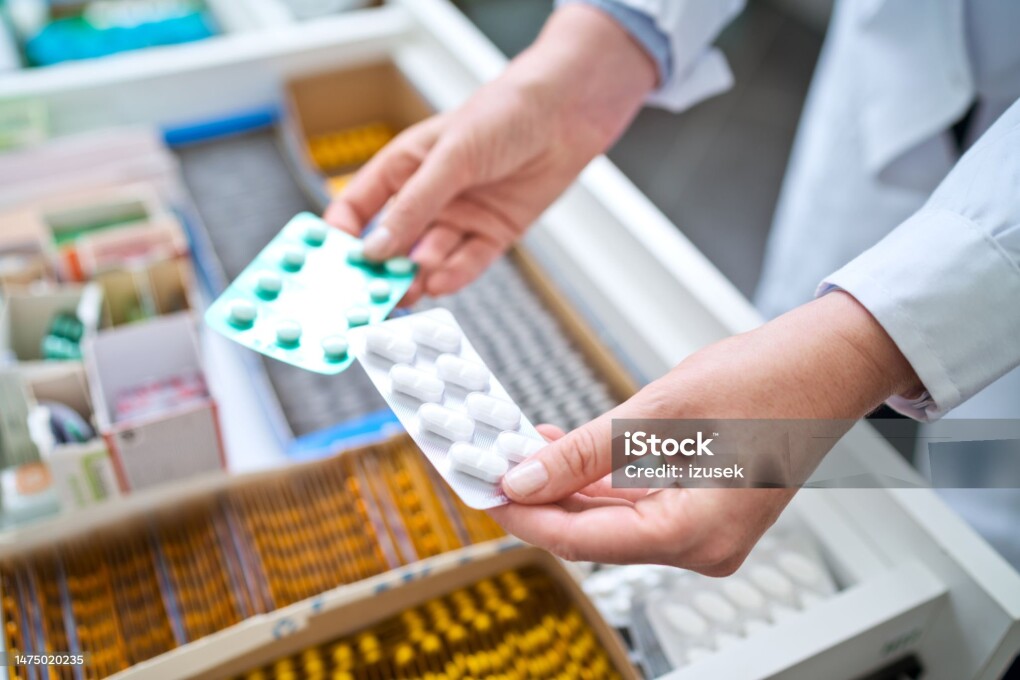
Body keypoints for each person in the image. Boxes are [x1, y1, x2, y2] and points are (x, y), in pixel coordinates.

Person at [324, 0, 1020, 573]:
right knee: (785, 371)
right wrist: (586, 64)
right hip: (906, 50)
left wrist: (856, 350)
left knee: (989, 514)